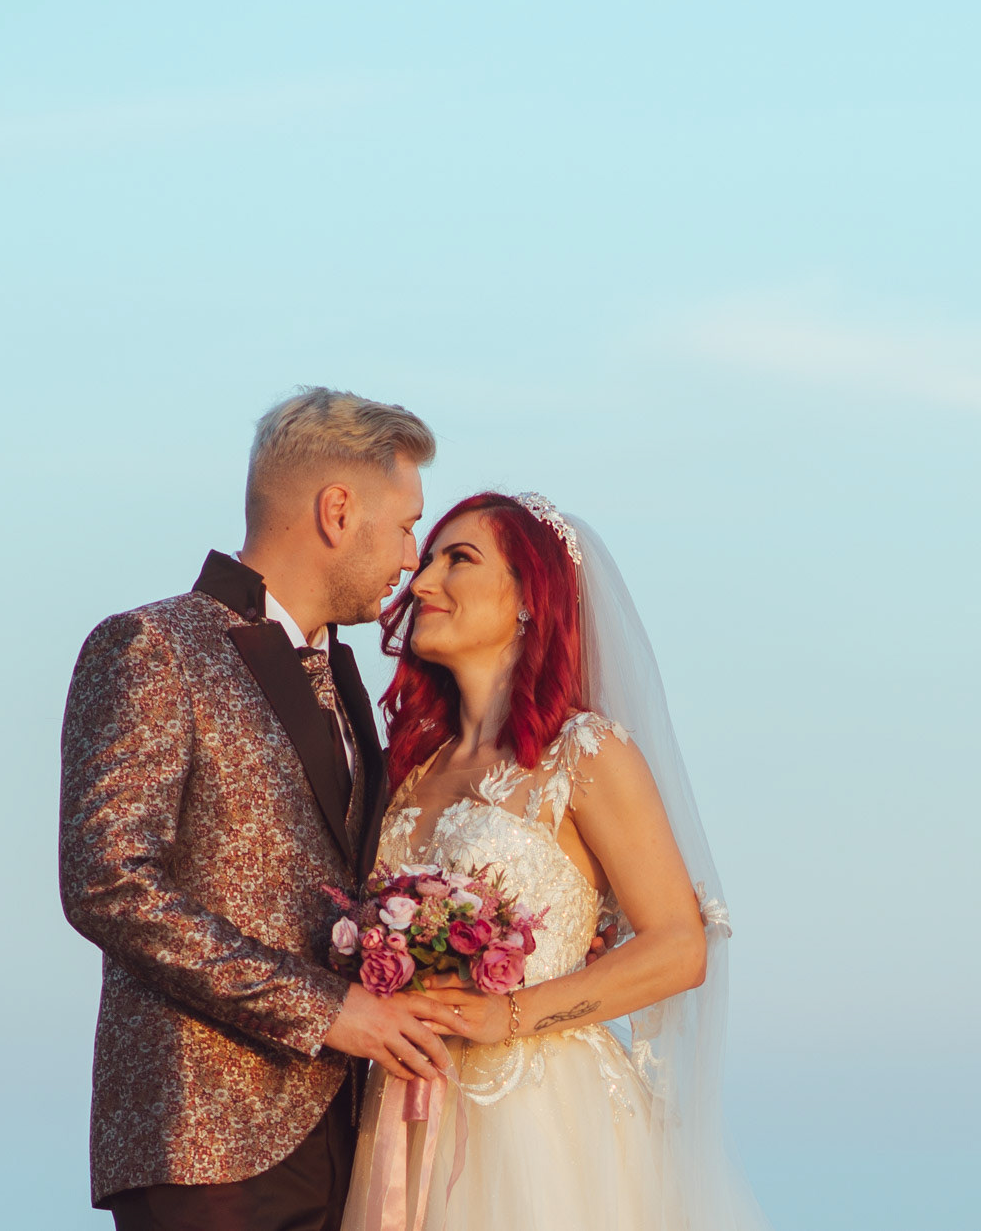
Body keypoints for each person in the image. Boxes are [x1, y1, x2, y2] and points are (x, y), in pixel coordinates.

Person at [59, 388, 479, 1231]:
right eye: (406, 526)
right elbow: (108, 883)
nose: (411, 559)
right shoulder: (152, 646)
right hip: (208, 1142)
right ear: (337, 511)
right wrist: (327, 1010)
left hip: (347, 1134)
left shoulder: (348, 680)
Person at [338, 492, 767, 1231]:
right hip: (406, 1110)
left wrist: (508, 1014)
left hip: (544, 1118)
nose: (422, 582)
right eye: (428, 558)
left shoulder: (586, 753)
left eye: (458, 559)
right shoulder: (405, 770)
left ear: (529, 599)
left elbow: (680, 946)